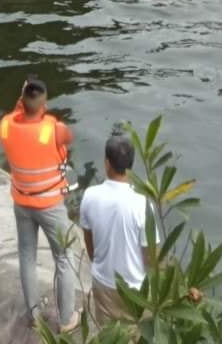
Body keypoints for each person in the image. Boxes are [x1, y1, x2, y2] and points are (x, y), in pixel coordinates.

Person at [0, 77, 79, 332]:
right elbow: (69, 138)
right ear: (44, 104)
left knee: (27, 255)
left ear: (21, 100)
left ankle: (33, 314)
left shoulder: (6, 126)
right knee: (65, 257)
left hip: (22, 203)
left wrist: (21, 103)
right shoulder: (54, 129)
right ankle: (67, 320)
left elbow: (14, 117)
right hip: (51, 205)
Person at [79, 133, 151, 326]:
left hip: (104, 282)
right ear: (131, 165)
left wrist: (98, 262)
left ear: (107, 163)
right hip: (136, 289)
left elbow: (89, 240)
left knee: (108, 335)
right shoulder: (142, 203)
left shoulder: (90, 196)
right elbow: (150, 254)